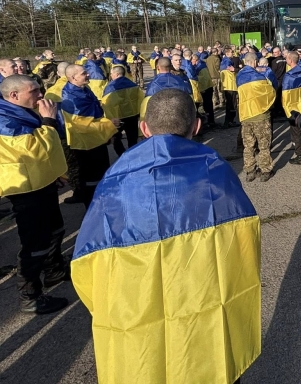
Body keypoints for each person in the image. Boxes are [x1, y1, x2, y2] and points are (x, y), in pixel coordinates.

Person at [71, 89, 260, 384]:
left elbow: (87, 260)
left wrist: (107, 309)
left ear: (144, 128)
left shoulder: (115, 181)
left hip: (140, 317)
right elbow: (244, 242)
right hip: (206, 307)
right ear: (196, 126)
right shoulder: (215, 170)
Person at [0, 75, 69, 314]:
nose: (40, 94)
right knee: (35, 242)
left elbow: (42, 154)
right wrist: (49, 121)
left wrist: (54, 174)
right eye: (34, 91)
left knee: (55, 229)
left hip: (41, 182)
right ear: (14, 95)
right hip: (26, 191)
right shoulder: (2, 122)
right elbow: (36, 150)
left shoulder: (20, 113)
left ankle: (54, 270)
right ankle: (30, 295)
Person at [61, 65, 119, 207]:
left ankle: (102, 203)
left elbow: (95, 113)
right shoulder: (72, 98)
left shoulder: (83, 89)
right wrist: (109, 125)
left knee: (100, 174)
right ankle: (93, 208)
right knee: (91, 179)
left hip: (96, 139)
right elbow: (82, 126)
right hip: (86, 144)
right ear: (73, 78)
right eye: (84, 73)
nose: (88, 74)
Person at [237, 53, 276, 182]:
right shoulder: (259, 77)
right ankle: (265, 170)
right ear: (254, 62)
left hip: (245, 116)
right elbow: (270, 92)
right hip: (261, 116)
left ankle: (250, 171)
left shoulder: (239, 77)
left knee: (248, 146)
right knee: (264, 145)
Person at [101, 65, 144, 156]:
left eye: (112, 73)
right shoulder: (133, 85)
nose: (111, 75)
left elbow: (106, 103)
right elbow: (141, 99)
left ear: (116, 74)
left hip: (117, 117)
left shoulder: (110, 87)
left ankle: (122, 155)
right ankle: (133, 156)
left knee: (116, 138)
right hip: (132, 116)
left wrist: (108, 118)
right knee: (132, 138)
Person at [281, 50, 301, 165]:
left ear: (290, 60)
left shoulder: (288, 76)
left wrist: (287, 111)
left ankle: (300, 155)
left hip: (294, 110)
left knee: (296, 133)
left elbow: (285, 96)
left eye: (287, 58)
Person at [220, 48, 240, 128]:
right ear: (227, 54)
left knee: (229, 103)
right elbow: (232, 71)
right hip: (231, 86)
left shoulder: (223, 62)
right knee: (232, 104)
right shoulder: (228, 62)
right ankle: (230, 121)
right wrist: (236, 69)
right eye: (232, 52)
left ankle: (228, 121)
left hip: (226, 85)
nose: (233, 53)